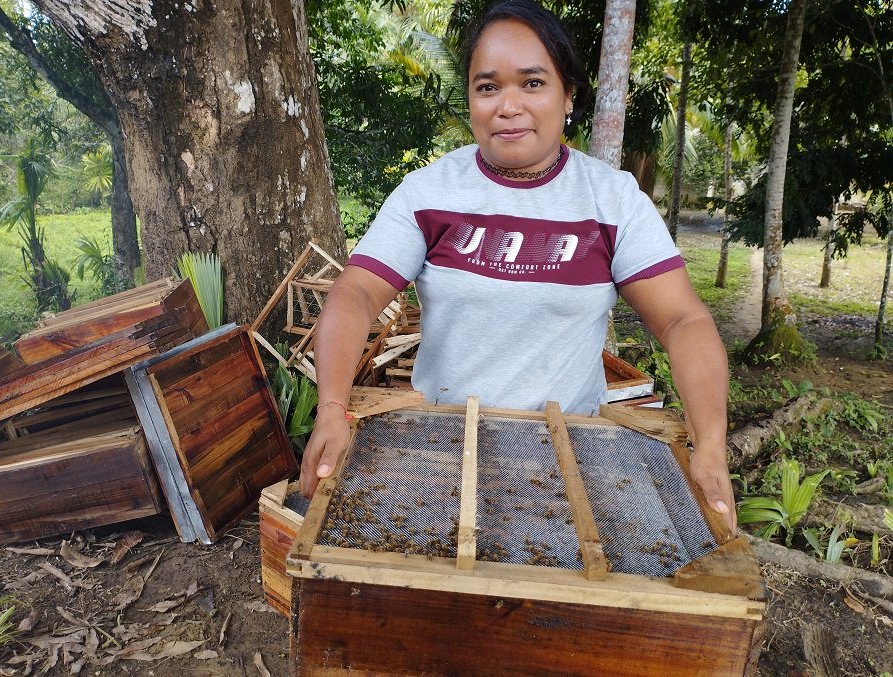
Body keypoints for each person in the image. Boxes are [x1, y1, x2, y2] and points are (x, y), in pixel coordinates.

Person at [300, 0, 736, 532]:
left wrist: (710, 445)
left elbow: (682, 321)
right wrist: (331, 407)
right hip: (437, 449)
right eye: (488, 87)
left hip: (569, 458)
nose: (508, 106)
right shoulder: (430, 192)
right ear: (471, 99)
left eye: (532, 83)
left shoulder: (612, 201)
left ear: (568, 95)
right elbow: (356, 295)